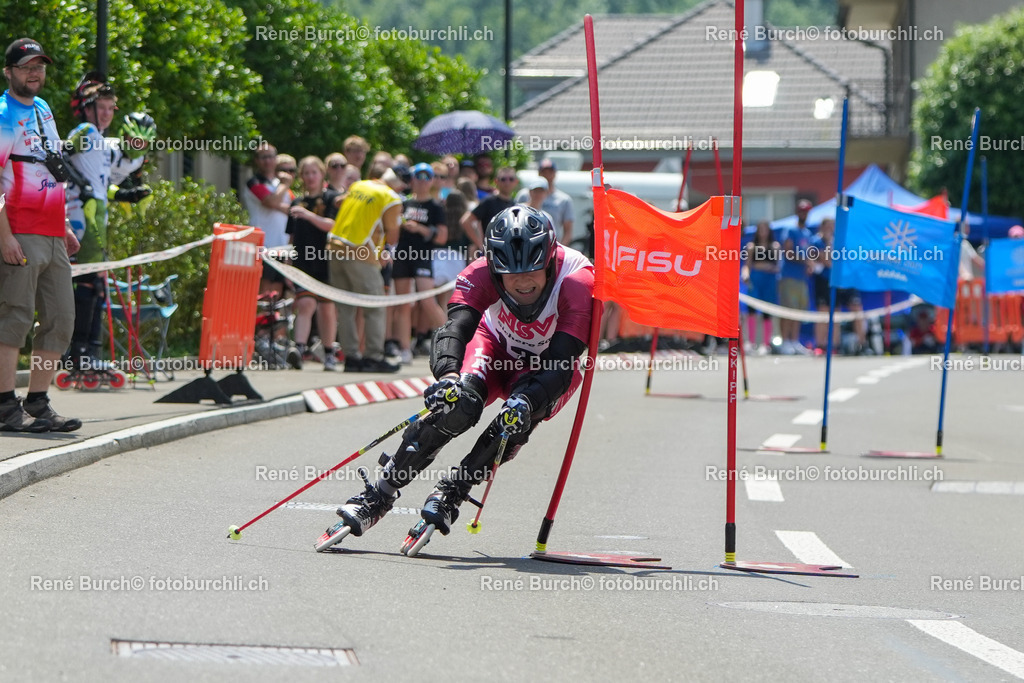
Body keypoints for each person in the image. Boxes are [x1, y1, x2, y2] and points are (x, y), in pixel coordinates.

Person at [326, 205, 593, 549]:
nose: (523, 281)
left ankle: (455, 489)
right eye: (510, 274)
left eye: (532, 271)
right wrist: (447, 377)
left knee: (516, 418)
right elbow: (454, 330)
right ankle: (380, 494)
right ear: (494, 267)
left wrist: (528, 402)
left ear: (551, 260)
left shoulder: (578, 280)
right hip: (495, 347)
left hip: (547, 364)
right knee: (457, 403)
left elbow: (561, 361)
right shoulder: (479, 272)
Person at [0, 38, 81, 432]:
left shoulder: (44, 109)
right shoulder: (2, 113)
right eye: (26, 66)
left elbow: (48, 168)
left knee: (61, 319)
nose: (35, 73)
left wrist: (63, 224)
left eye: (40, 66)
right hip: (19, 229)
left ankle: (37, 402)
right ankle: (4, 408)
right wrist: (5, 236)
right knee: (14, 318)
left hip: (51, 230)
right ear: (9, 71)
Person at [63, 73, 120, 370]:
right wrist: (79, 184)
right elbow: (58, 156)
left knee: (95, 284)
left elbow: (100, 182)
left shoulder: (100, 140)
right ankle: (79, 353)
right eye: (102, 107)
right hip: (80, 214)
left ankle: (87, 353)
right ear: (87, 108)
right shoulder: (85, 130)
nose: (107, 114)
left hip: (96, 213)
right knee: (87, 284)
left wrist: (124, 194)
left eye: (111, 108)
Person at [328, 162, 402, 373]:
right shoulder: (390, 197)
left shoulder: (360, 185)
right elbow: (393, 234)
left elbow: (338, 203)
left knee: (345, 308)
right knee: (375, 306)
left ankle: (351, 357)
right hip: (360, 251)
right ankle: (373, 357)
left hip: (334, 246)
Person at [286, 156, 340, 370]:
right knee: (305, 304)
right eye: (306, 173)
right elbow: (291, 236)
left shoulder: (331, 199)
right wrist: (288, 263)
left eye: (313, 173)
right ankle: (298, 349)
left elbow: (333, 225)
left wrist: (308, 215)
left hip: (325, 261)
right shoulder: (296, 202)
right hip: (302, 261)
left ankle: (329, 353)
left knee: (327, 308)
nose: (310, 177)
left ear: (321, 174)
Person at [394, 163, 447, 364]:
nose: (422, 181)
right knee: (403, 304)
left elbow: (442, 237)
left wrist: (421, 229)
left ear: (432, 180)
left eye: (427, 177)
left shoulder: (435, 206)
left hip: (422, 255)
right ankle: (404, 349)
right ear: (412, 179)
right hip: (402, 255)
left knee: (427, 301)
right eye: (418, 176)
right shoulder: (404, 204)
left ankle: (453, 341)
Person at [243, 141, 293, 295]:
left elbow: (291, 209)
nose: (268, 160)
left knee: (277, 291)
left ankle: (273, 320)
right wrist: (285, 185)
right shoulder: (254, 182)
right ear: (257, 160)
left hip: (282, 245)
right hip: (264, 245)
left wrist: (277, 200)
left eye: (271, 156)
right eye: (263, 157)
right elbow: (270, 201)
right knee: (264, 291)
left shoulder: (278, 183)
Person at [810, 217, 866, 354]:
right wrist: (829, 242)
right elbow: (827, 261)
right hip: (824, 282)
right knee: (824, 312)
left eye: (832, 226)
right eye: (827, 226)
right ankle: (821, 345)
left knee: (842, 312)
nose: (830, 229)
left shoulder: (840, 241)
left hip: (841, 282)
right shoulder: (817, 242)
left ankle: (847, 344)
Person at [778, 199, 814, 354]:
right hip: (788, 276)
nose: (804, 214)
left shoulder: (807, 233)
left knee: (798, 310)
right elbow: (788, 251)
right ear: (797, 212)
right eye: (801, 211)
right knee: (788, 309)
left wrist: (810, 264)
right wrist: (805, 261)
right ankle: (785, 340)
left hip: (801, 278)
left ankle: (794, 340)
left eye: (806, 211)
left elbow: (808, 253)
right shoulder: (790, 230)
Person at [515, 159, 575, 244]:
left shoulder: (563, 200)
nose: (547, 175)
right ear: (530, 192)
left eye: (550, 171)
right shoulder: (521, 203)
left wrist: (558, 251)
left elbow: (568, 230)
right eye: (544, 172)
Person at [462, 166, 516, 260]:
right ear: (496, 181)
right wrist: (480, 244)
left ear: (516, 182)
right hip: (490, 256)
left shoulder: (515, 205)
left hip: (509, 256)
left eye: (511, 179)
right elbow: (466, 221)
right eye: (503, 179)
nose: (507, 182)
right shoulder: (489, 201)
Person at [741, 220, 779, 355]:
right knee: (751, 311)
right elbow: (747, 265)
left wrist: (765, 267)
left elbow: (777, 266)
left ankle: (765, 344)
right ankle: (750, 342)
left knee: (766, 313)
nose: (763, 232)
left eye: (765, 229)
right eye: (760, 229)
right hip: (755, 281)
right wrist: (745, 275)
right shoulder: (751, 246)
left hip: (768, 282)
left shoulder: (774, 246)